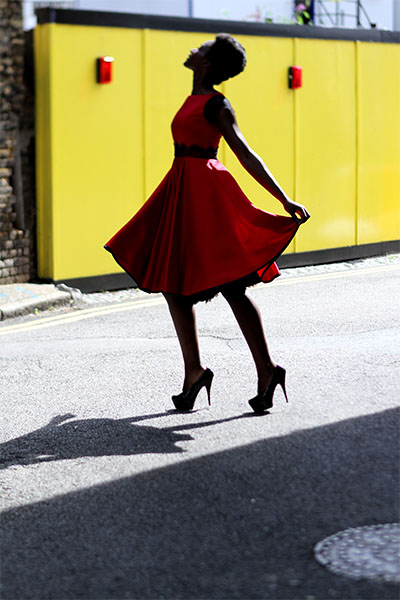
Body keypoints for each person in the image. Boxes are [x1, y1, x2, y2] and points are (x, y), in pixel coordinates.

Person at [105, 34, 310, 414]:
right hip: (182, 190)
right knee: (174, 284)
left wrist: (282, 198)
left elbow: (245, 153)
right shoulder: (194, 99)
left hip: (207, 196)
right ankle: (196, 372)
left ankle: (264, 370)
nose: (194, 49)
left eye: (202, 47)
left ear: (208, 62)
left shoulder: (217, 104)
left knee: (232, 286)